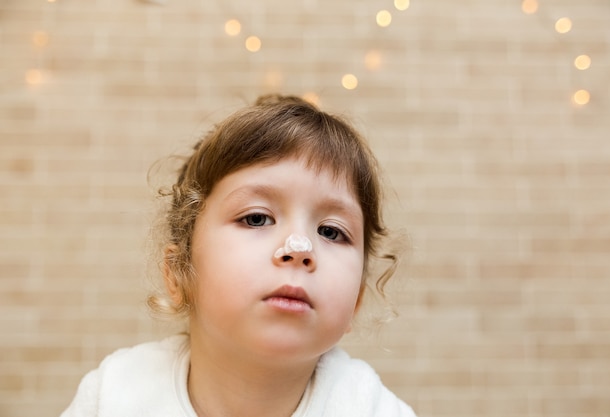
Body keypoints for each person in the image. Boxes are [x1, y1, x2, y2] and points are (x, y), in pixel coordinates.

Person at [60, 94, 417, 417]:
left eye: (331, 231)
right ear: (179, 273)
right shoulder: (114, 396)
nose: (299, 249)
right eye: (257, 218)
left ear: (356, 299)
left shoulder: (371, 408)